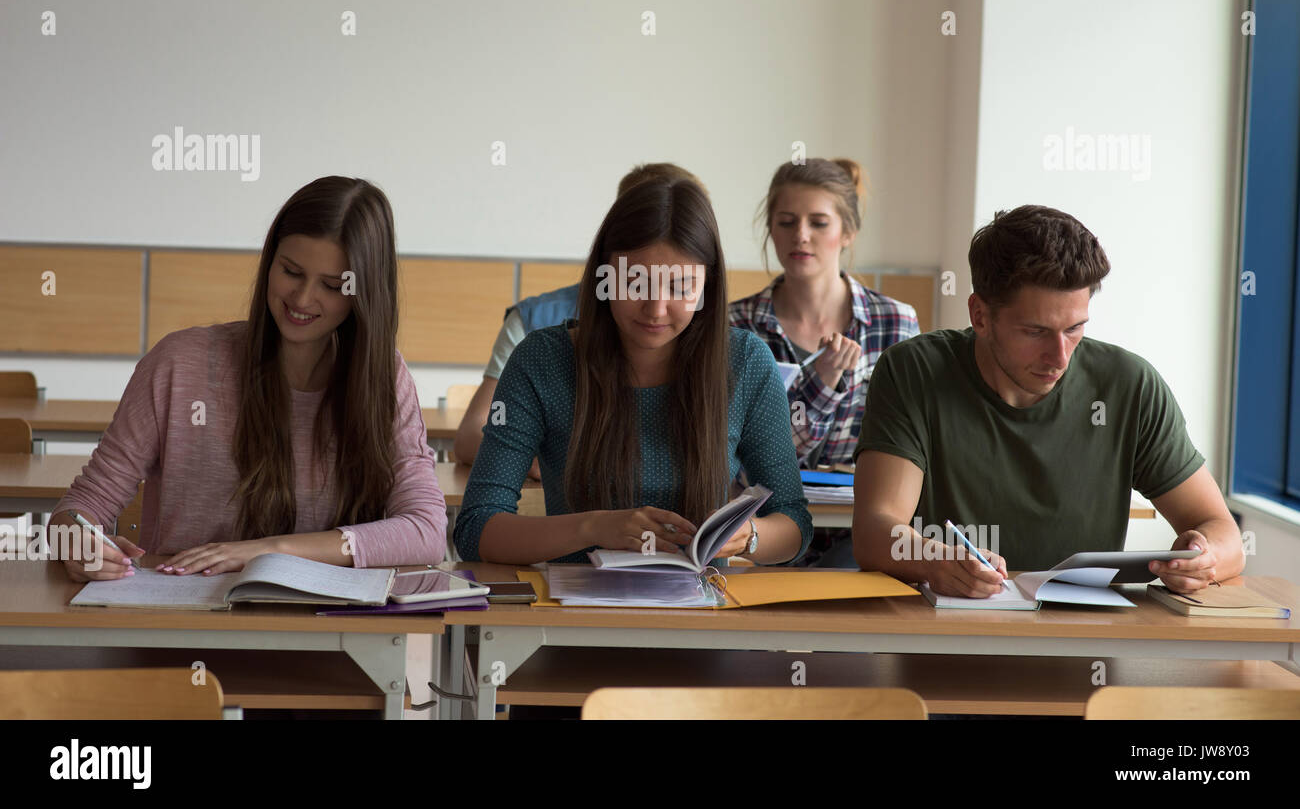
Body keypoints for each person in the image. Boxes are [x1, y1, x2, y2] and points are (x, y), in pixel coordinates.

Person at [53, 176, 446, 581]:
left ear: (363, 294)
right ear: (269, 261)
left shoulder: (383, 379)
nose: (303, 299)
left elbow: (426, 531)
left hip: (326, 636)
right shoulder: (179, 363)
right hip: (180, 627)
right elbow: (80, 507)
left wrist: (268, 551)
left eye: (331, 285)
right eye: (291, 271)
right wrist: (78, 542)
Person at [851, 205, 1242, 595]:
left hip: (1087, 647)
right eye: (1035, 332)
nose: (1060, 356)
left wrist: (1205, 558)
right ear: (980, 316)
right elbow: (874, 531)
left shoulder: (1130, 385)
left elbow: (1224, 534)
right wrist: (932, 558)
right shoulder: (914, 371)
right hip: (944, 640)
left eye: (1074, 329)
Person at [453, 173, 811, 566]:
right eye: (635, 283)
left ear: (707, 284)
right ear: (604, 276)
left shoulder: (744, 362)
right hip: (573, 612)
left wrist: (750, 537)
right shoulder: (542, 360)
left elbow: (794, 523)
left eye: (680, 287)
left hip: (701, 610)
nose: (656, 309)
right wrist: (594, 528)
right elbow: (475, 528)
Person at [452, 162, 704, 472]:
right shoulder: (534, 322)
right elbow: (471, 435)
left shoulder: (701, 325)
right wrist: (556, 468)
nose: (657, 307)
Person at [729, 157, 920, 565]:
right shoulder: (736, 326)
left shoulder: (895, 322)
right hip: (759, 537)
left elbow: (910, 445)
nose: (800, 235)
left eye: (818, 223)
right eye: (786, 222)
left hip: (862, 536)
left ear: (847, 231)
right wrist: (821, 383)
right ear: (771, 230)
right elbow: (746, 461)